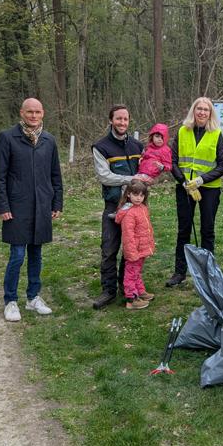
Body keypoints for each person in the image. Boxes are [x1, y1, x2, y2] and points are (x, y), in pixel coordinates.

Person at [0, 97, 63, 322]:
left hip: (41, 205)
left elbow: (55, 175)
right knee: (17, 254)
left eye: (38, 112)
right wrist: (2, 206)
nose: (33, 116)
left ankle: (33, 297)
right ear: (22, 113)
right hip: (16, 207)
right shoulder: (6, 138)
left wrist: (56, 203)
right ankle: (10, 301)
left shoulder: (49, 140)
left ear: (43, 114)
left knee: (36, 254)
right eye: (29, 112)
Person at [166, 97, 223, 287]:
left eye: (206, 110)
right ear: (193, 111)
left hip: (209, 188)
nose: (202, 112)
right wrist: (183, 180)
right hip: (185, 188)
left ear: (210, 113)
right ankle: (180, 272)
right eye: (199, 109)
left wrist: (202, 179)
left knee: (207, 229)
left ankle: (208, 271)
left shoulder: (216, 133)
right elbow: (173, 161)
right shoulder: (182, 132)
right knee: (183, 229)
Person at [91, 105, 147, 309]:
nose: (122, 123)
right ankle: (108, 290)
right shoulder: (101, 146)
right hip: (113, 205)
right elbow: (104, 175)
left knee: (133, 249)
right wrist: (132, 179)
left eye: (125, 119)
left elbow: (146, 170)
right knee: (109, 248)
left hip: (136, 207)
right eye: (118, 119)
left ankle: (128, 286)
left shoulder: (137, 146)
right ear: (111, 120)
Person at [115, 179, 157, 310]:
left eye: (141, 195)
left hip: (142, 248)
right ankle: (131, 298)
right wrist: (131, 253)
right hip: (134, 250)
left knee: (137, 271)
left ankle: (140, 291)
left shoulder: (142, 208)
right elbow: (128, 235)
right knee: (131, 273)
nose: (138, 198)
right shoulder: (128, 213)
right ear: (128, 194)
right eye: (135, 195)